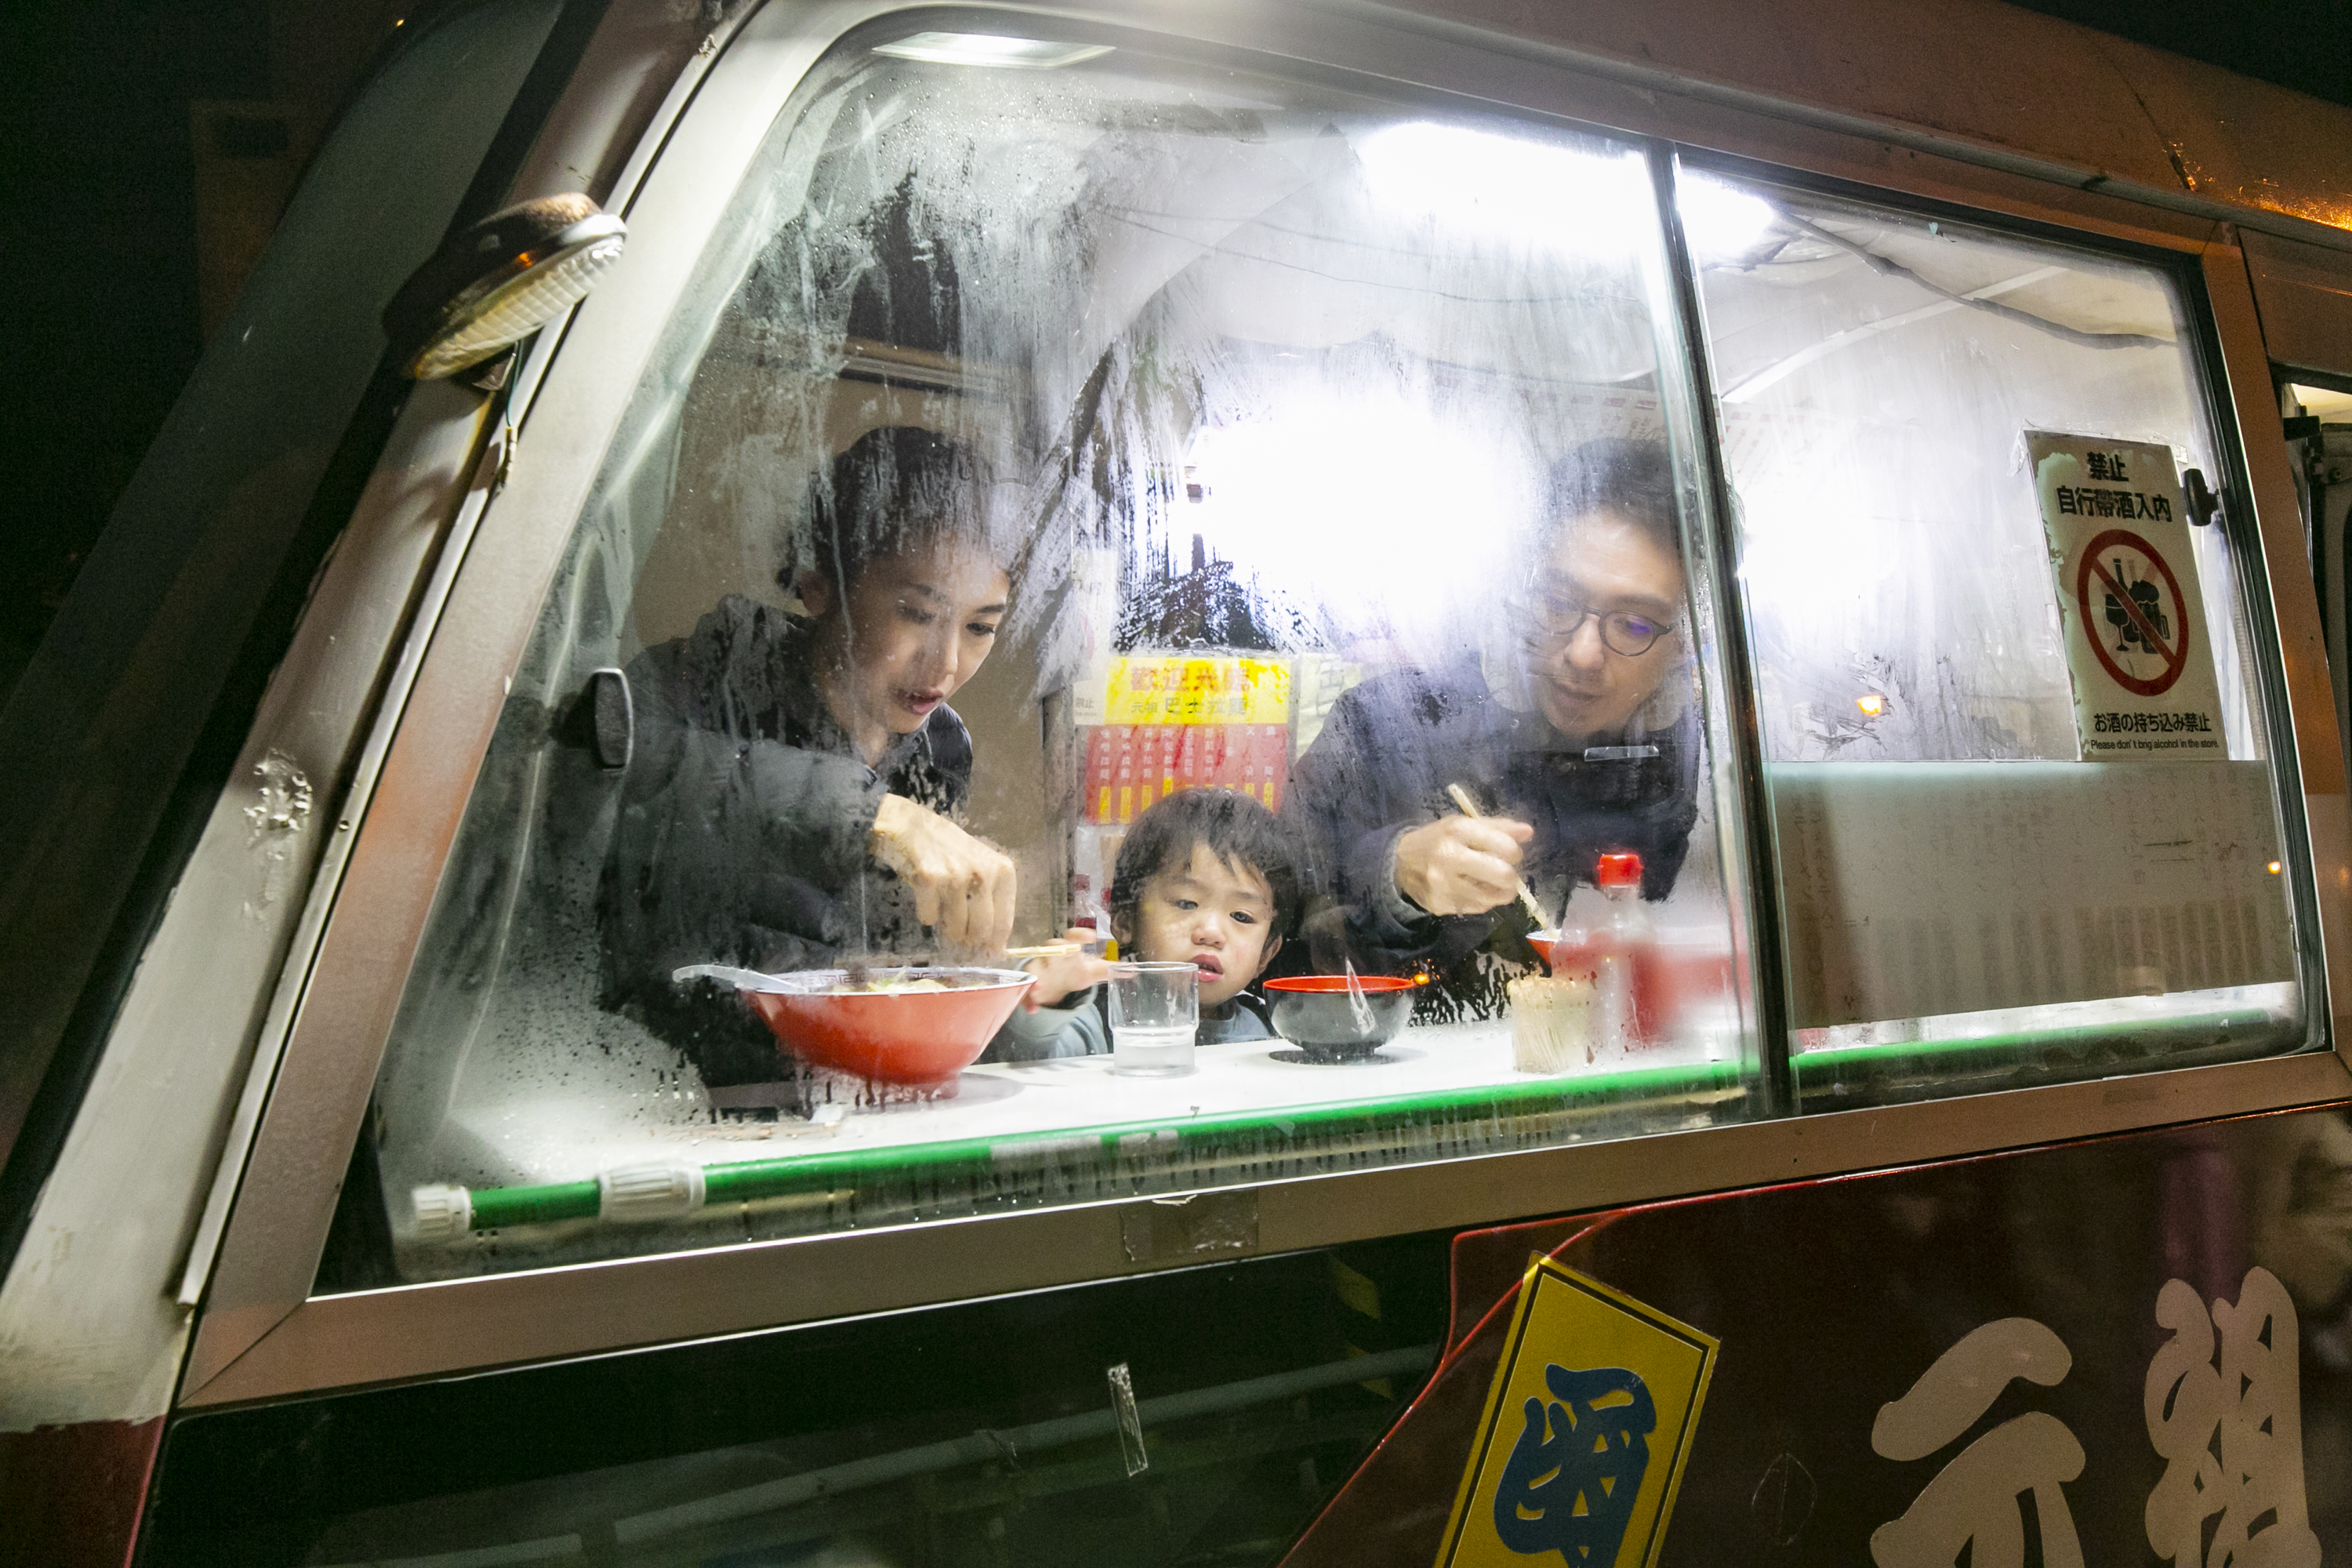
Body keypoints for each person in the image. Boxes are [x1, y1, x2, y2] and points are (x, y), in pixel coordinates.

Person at [600, 425, 1022, 1087]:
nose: (945, 664)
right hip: (659, 1091)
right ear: (820, 582)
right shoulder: (705, 681)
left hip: (844, 1102)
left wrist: (1012, 983)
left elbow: (886, 971)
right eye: (917, 613)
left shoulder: (940, 749)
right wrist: (872, 813)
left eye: (979, 628)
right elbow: (625, 763)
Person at [1280, 437, 1701, 1011]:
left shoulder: (1713, 773)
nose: (1581, 652)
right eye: (1558, 601)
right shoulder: (1386, 726)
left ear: (1683, 644)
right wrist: (1394, 873)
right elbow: (1271, 939)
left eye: (1632, 626)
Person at [986, 787, 1301, 1061]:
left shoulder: (1267, 1029)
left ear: (1266, 955)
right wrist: (1044, 995)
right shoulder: (1101, 1021)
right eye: (1186, 903)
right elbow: (1030, 1056)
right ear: (1125, 921)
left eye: (1241, 916)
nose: (1212, 933)